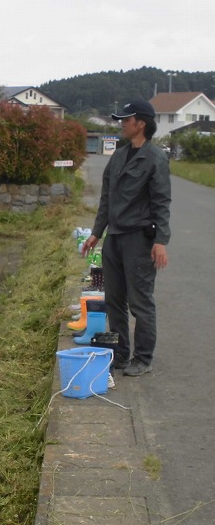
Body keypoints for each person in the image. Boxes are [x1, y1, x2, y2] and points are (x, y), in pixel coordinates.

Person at [82, 98, 171, 377]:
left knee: (141, 300)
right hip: (114, 239)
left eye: (126, 119)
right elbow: (106, 199)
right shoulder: (119, 156)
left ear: (140, 123)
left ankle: (143, 358)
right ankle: (120, 355)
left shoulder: (155, 158)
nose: (121, 123)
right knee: (114, 299)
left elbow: (161, 202)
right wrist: (96, 233)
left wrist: (161, 241)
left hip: (139, 240)